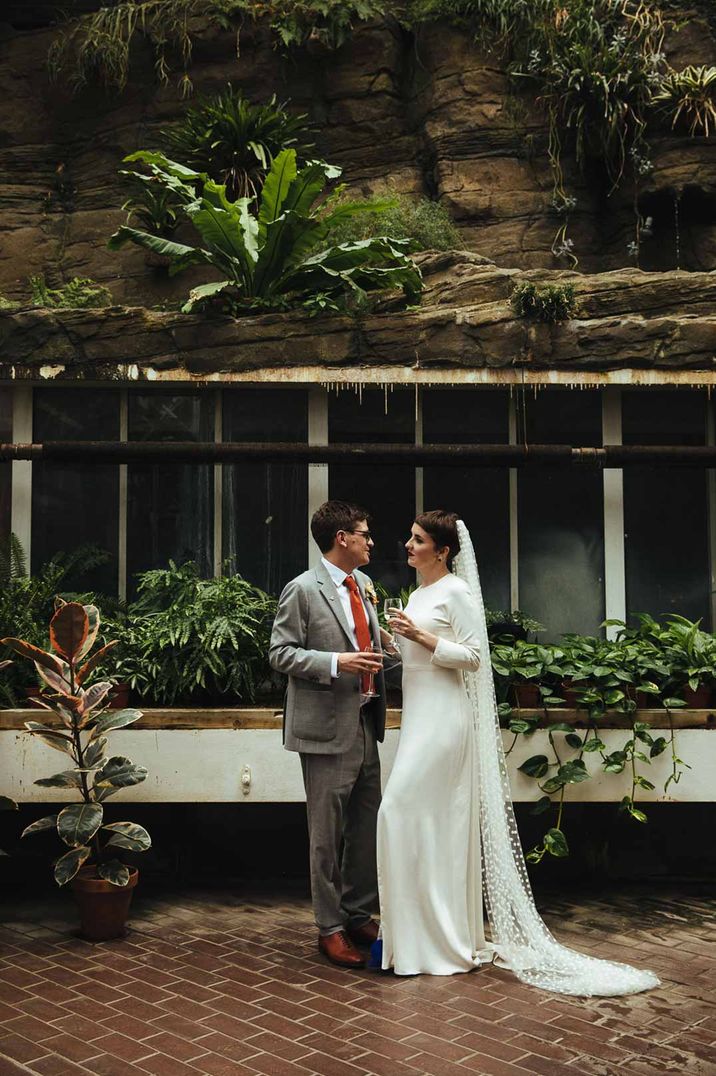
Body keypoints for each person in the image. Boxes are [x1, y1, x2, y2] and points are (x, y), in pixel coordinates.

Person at [377, 509, 660, 996]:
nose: (407, 544)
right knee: (421, 819)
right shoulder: (419, 593)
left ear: (442, 551)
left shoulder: (456, 592)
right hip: (418, 717)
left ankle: (441, 938)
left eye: (417, 539)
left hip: (445, 720)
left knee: (397, 810)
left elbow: (473, 658)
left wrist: (419, 635)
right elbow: (417, 659)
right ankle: (417, 936)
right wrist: (389, 639)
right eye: (410, 537)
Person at [269, 500, 395, 969]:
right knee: (326, 836)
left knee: (365, 829)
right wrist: (335, 663)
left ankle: (360, 913)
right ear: (342, 538)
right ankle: (330, 928)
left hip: (365, 721)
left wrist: (405, 644)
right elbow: (280, 654)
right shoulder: (301, 590)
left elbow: (373, 646)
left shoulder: (363, 585)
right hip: (324, 729)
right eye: (365, 533)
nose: (371, 541)